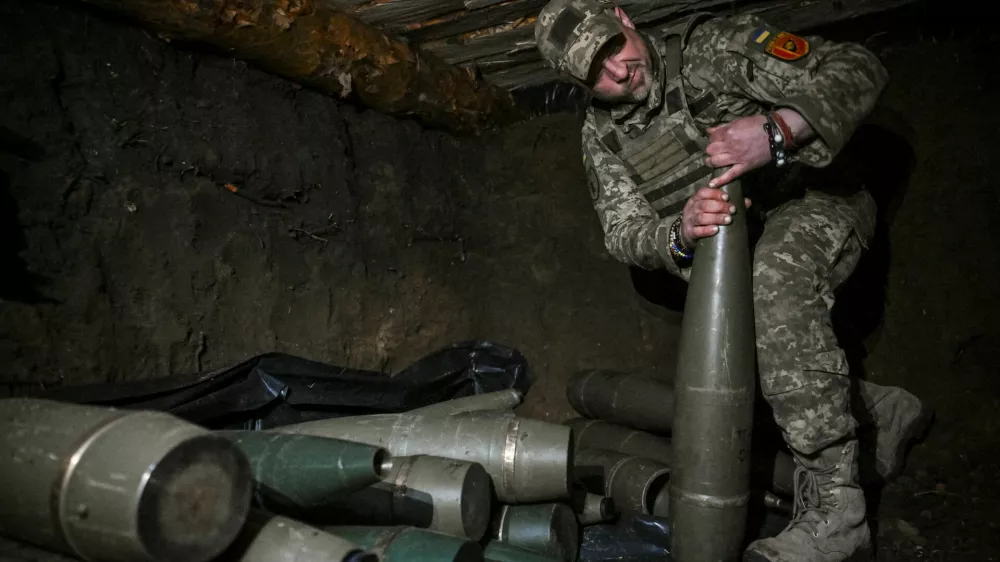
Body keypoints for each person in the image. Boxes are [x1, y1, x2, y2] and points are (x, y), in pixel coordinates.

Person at [533, 1, 933, 560]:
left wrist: (775, 131)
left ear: (623, 17)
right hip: (730, 249)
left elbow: (857, 68)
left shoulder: (709, 51)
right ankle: (877, 412)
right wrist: (678, 232)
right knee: (731, 355)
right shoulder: (602, 135)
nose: (618, 73)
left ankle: (838, 514)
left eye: (612, 49)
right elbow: (624, 232)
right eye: (595, 74)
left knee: (775, 287)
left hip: (814, 200)